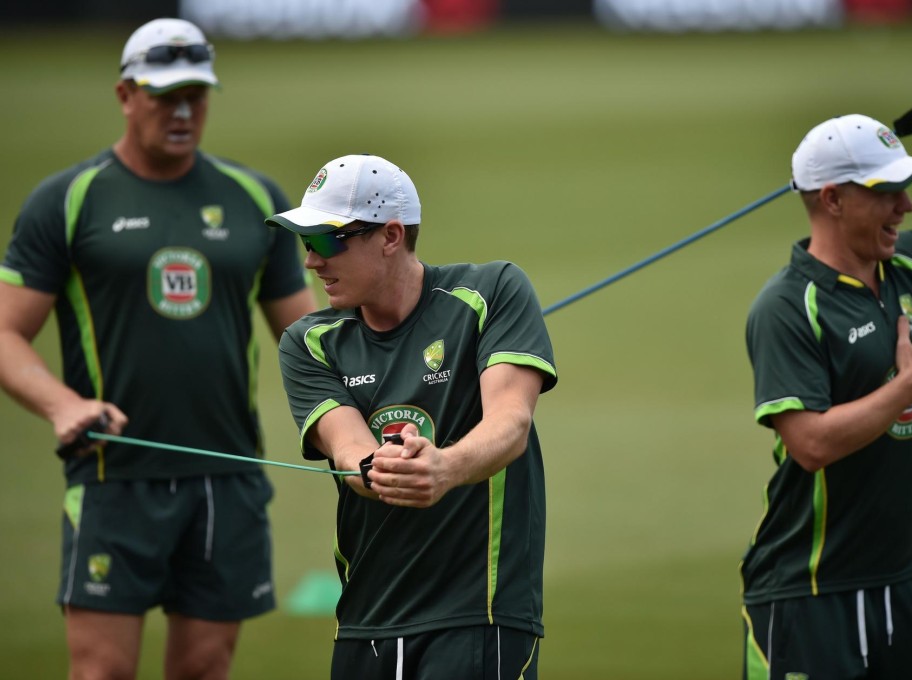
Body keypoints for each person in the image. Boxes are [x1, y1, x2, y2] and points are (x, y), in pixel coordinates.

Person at [0, 17, 317, 680]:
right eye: (164, 94)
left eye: (196, 95)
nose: (183, 110)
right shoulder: (68, 201)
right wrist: (62, 405)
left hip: (227, 478)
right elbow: (4, 332)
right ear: (124, 95)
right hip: (116, 476)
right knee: (101, 675)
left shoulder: (255, 199)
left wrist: (402, 352)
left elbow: (307, 339)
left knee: (203, 672)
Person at [740, 80, 912, 679]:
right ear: (834, 199)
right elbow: (810, 444)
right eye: (887, 192)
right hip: (812, 594)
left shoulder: (909, 266)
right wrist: (906, 387)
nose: (907, 207)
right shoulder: (789, 307)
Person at [267, 153, 558, 679]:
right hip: (365, 621)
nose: (312, 261)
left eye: (329, 242)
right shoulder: (308, 341)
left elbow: (510, 424)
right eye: (306, 243)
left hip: (480, 615)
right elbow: (347, 446)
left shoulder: (492, 292)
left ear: (391, 235)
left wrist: (443, 467)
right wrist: (381, 467)